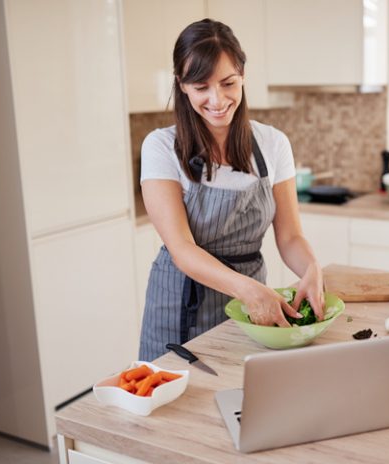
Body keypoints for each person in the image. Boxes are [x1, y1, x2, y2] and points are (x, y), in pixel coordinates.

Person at [138, 19, 324, 361]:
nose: (217, 99)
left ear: (243, 76)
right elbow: (181, 248)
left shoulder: (273, 143)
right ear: (181, 85)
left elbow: (290, 237)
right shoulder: (161, 147)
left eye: (228, 83)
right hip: (180, 304)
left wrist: (312, 269)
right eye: (201, 87)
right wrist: (249, 291)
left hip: (253, 308)